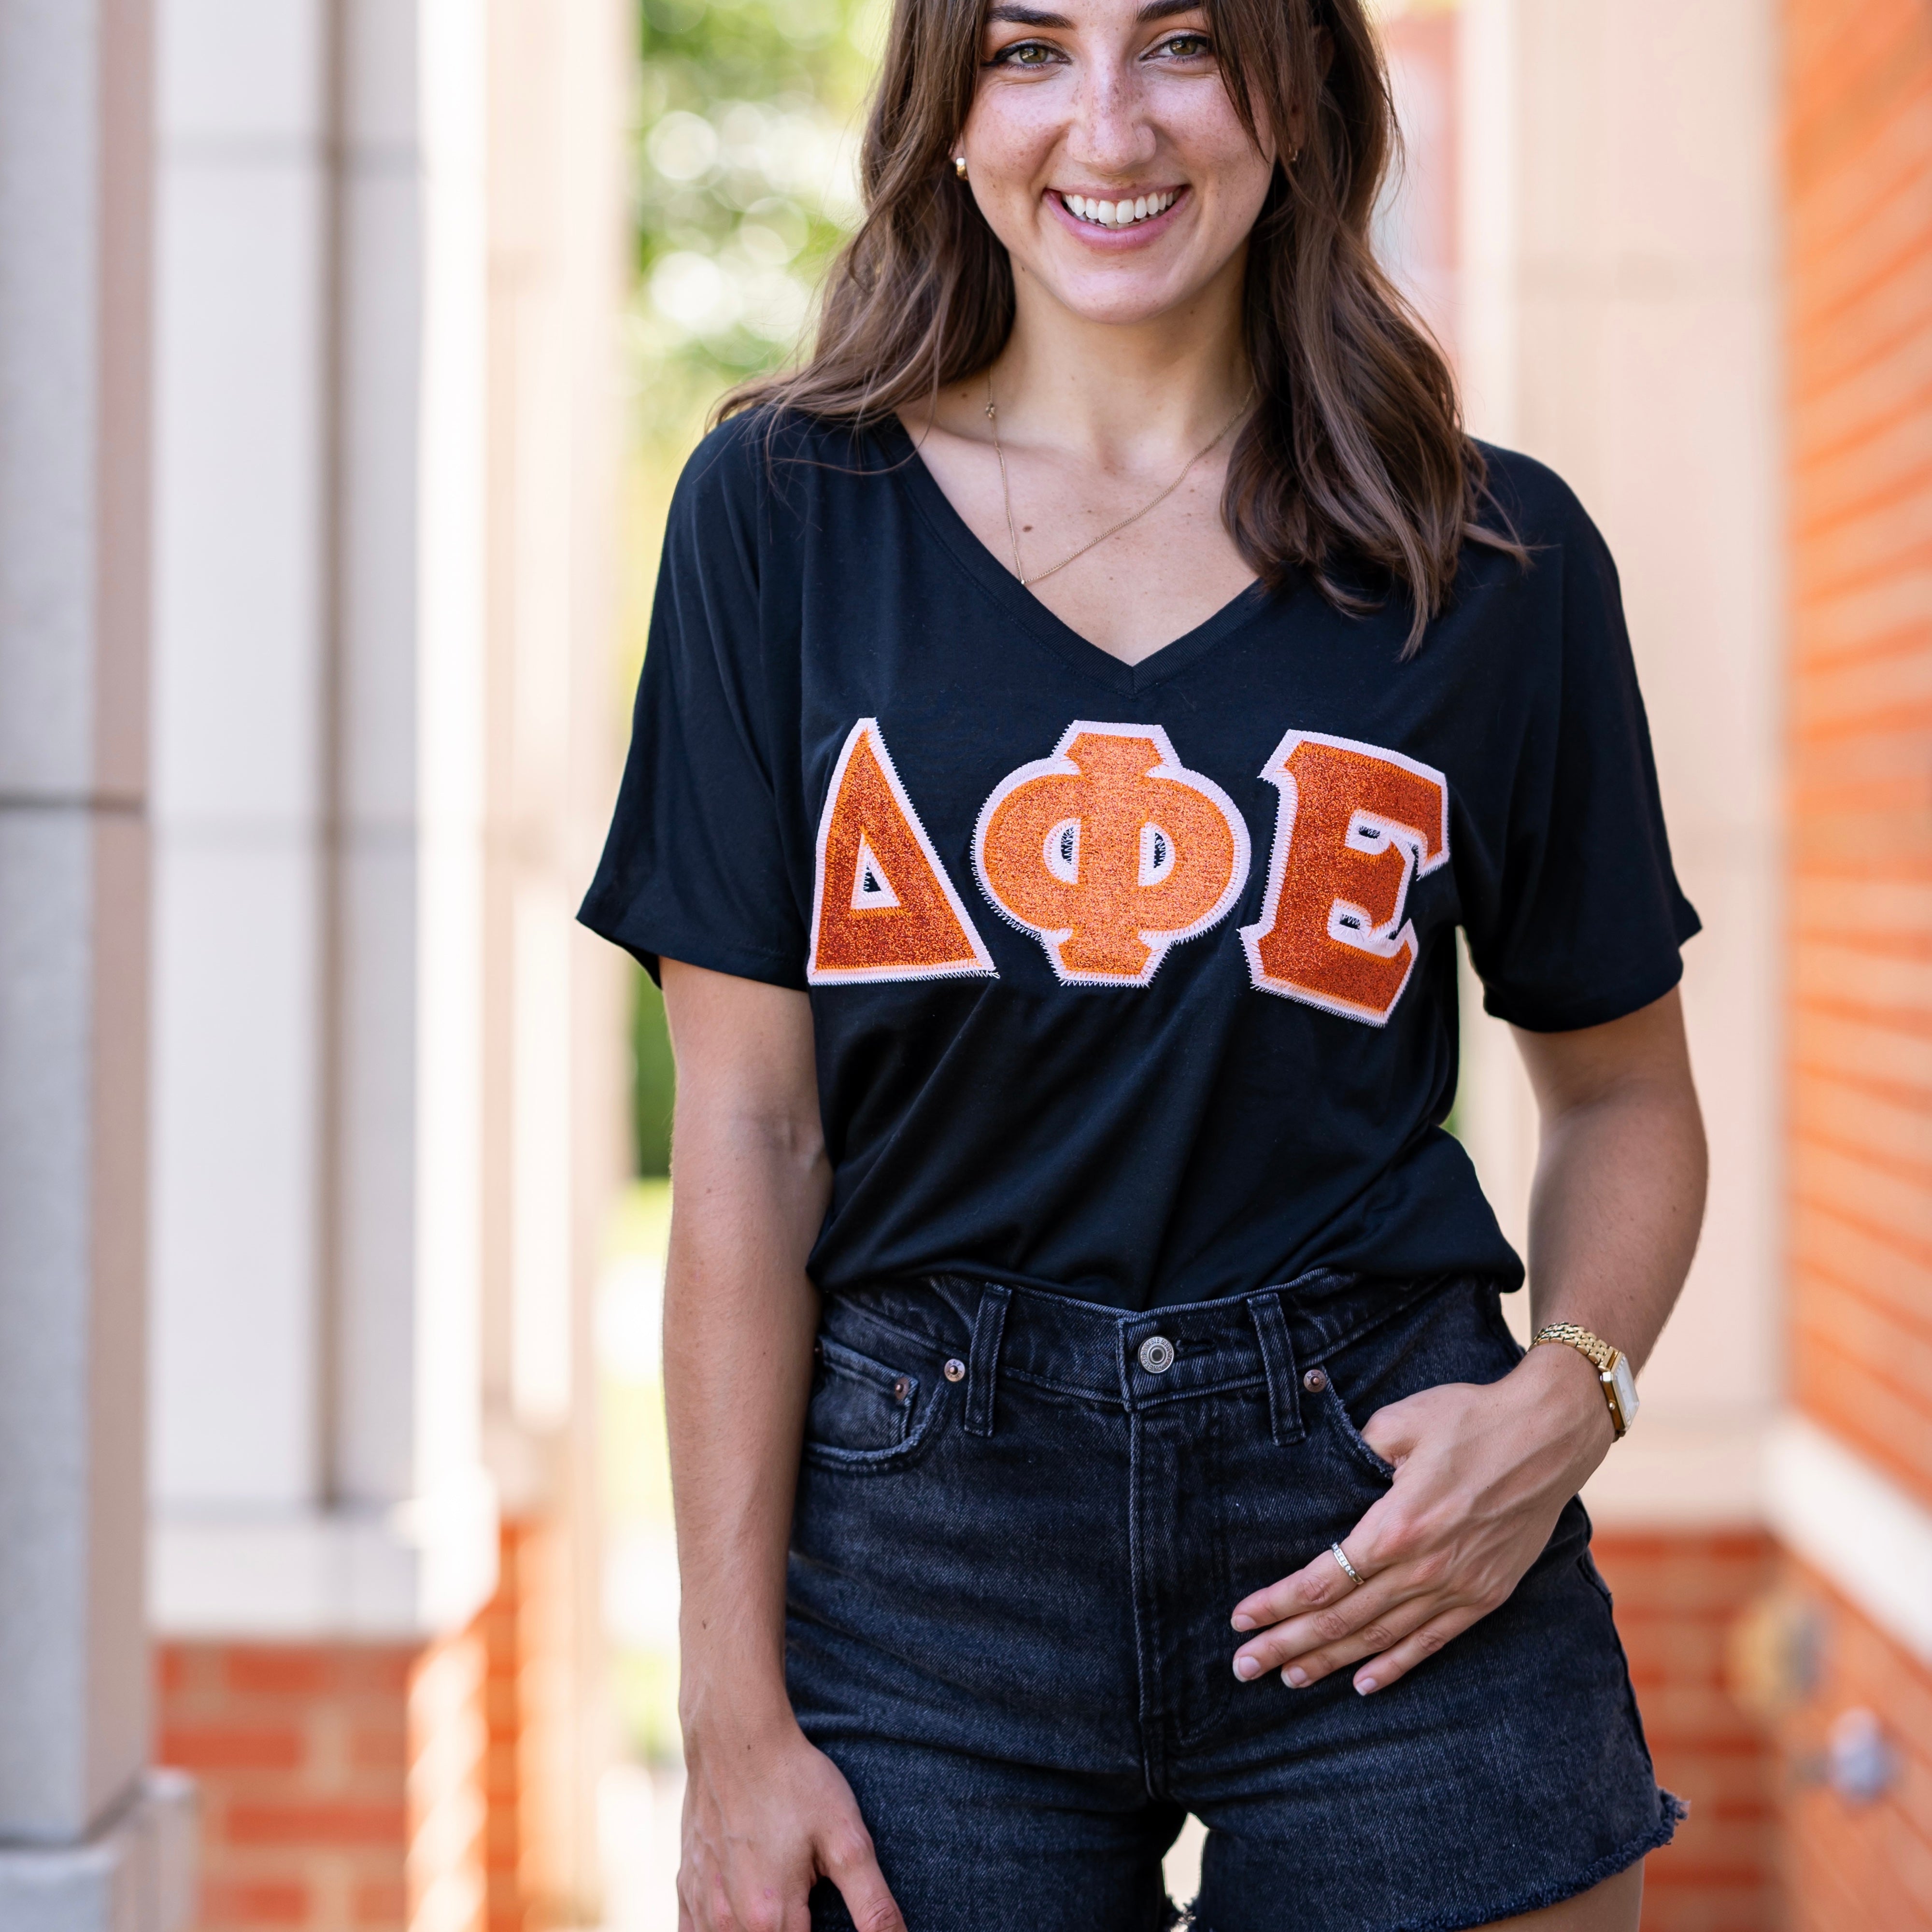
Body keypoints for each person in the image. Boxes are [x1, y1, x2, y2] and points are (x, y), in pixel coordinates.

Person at [580, 0, 1708, 1924]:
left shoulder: (1489, 556)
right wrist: (730, 1714)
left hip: (1380, 1520)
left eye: (1182, 42)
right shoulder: (777, 517)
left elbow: (1621, 1098)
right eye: (1027, 51)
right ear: (945, 115)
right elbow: (751, 1146)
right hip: (918, 1557)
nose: (1106, 124)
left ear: (1298, 94)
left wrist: (1569, 1391)